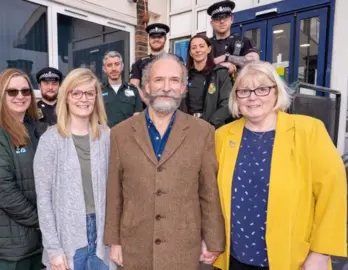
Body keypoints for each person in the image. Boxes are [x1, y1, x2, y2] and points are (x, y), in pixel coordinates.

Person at [213, 62, 347, 270]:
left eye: (262, 89)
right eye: (244, 91)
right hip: (235, 257)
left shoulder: (309, 130)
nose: (253, 96)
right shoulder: (223, 136)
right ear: (235, 97)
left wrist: (320, 253)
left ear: (276, 92)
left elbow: (333, 192)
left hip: (295, 259)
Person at [104, 53, 225, 269]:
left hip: (184, 246)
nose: (166, 87)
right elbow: (114, 192)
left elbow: (209, 192)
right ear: (146, 86)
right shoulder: (120, 134)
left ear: (182, 88)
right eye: (159, 80)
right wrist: (114, 241)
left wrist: (213, 240)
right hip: (134, 246)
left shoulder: (203, 132)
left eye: (174, 80)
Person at [34, 68, 116, 270]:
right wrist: (53, 249)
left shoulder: (108, 137)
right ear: (66, 97)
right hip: (67, 236)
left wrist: (116, 240)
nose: (83, 99)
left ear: (96, 97)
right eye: (76, 93)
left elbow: (118, 191)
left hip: (103, 236)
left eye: (89, 93)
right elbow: (43, 199)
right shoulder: (50, 140)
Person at [0, 68, 47, 270]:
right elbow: (1, 190)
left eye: (25, 91)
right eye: (12, 92)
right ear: (1, 95)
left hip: (38, 245)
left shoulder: (36, 130)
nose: (20, 96)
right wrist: (41, 220)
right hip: (10, 251)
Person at [180, 34, 232, 128]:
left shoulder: (220, 73)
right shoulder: (183, 75)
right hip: (186, 127)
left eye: (201, 46)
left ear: (209, 49)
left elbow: (227, 103)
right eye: (194, 47)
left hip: (213, 127)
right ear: (190, 52)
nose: (198, 50)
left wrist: (210, 124)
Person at [129, 23, 183, 101]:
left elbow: (182, 83)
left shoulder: (176, 60)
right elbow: (134, 85)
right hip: (147, 107)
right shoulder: (139, 63)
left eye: (160, 37)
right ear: (149, 39)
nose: (156, 39)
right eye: (153, 37)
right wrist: (146, 100)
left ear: (165, 39)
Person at [208, 0, 259, 74]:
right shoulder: (206, 44)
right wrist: (222, 66)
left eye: (225, 17)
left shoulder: (242, 40)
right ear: (212, 23)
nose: (222, 21)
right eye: (217, 19)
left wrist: (227, 58)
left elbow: (255, 61)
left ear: (231, 19)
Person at [102, 51, 143, 127]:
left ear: (122, 66)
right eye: (109, 65)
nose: (113, 68)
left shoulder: (133, 90)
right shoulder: (98, 91)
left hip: (127, 137)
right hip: (105, 137)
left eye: (117, 64)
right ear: (104, 69)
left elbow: (137, 117)